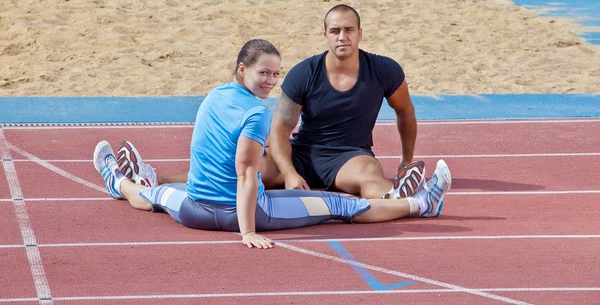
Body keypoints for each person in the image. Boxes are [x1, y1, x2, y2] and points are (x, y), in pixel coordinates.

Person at [93, 39, 452, 249]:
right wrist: (248, 231)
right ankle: (421, 204)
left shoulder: (215, 96)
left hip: (194, 210)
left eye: (276, 73)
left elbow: (202, 154)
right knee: (344, 205)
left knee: (154, 194)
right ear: (242, 71)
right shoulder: (255, 112)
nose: (271, 81)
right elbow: (247, 173)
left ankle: (117, 180)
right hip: (244, 213)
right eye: (263, 72)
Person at [260, 4, 422, 200]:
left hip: (350, 158)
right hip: (303, 154)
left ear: (360, 33)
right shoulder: (303, 73)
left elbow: (405, 111)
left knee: (370, 177)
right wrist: (289, 174)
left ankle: (410, 201)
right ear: (326, 35)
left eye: (349, 30)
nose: (342, 36)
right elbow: (279, 130)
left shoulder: (384, 70)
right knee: (248, 168)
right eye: (335, 31)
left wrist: (406, 161)